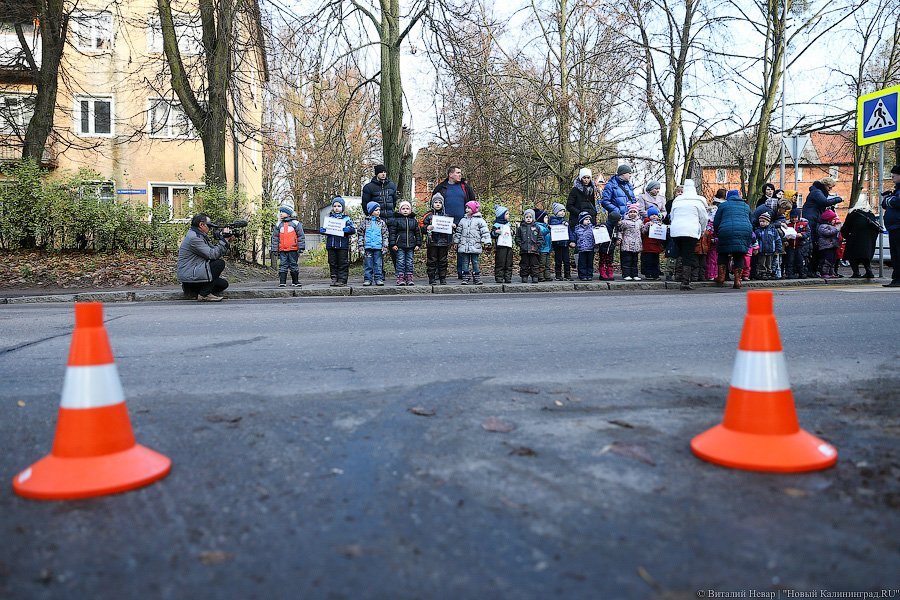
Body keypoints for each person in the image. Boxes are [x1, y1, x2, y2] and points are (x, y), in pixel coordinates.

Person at [433, 166, 477, 279]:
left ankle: (462, 271)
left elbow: (473, 203)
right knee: (442, 248)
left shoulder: (465, 187)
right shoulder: (441, 187)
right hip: (444, 223)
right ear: (450, 174)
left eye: (460, 172)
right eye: (457, 173)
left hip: (462, 223)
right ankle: (440, 272)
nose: (460, 174)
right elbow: (434, 203)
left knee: (461, 249)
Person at [177, 213, 232, 301]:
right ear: (201, 225)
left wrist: (224, 241)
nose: (210, 229)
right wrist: (224, 241)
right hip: (190, 278)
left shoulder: (197, 235)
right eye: (209, 226)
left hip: (193, 275)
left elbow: (212, 250)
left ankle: (194, 292)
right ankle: (204, 294)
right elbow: (212, 255)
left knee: (223, 284)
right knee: (219, 264)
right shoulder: (194, 238)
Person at [668, 180, 709, 290]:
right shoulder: (698, 201)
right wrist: (702, 230)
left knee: (681, 253)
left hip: (676, 230)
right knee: (688, 255)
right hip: (690, 230)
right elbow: (704, 218)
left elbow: (672, 215)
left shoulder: (677, 200)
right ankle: (685, 282)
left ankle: (679, 275)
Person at [363, 164, 399, 274]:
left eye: (384, 172)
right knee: (378, 248)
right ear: (376, 173)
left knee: (394, 246)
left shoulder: (392, 185)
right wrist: (372, 218)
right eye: (381, 172)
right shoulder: (369, 187)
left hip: (391, 220)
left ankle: (400, 272)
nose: (383, 174)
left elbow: (394, 202)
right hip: (377, 222)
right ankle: (379, 273)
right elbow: (365, 205)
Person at [712, 189, 752, 289]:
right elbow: (751, 220)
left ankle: (721, 278)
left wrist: (718, 233)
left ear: (727, 197)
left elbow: (716, 221)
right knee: (739, 255)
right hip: (744, 231)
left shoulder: (723, 205)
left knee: (723, 253)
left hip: (726, 231)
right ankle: (737, 281)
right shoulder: (746, 206)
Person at [802, 176, 840, 273]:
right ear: (825, 185)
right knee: (813, 244)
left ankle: (813, 269)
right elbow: (825, 202)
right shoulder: (817, 192)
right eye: (829, 187)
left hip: (814, 219)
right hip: (812, 220)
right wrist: (837, 199)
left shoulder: (817, 192)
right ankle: (811, 270)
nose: (830, 189)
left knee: (815, 245)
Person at [452, 200, 490, 285]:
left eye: (469, 208)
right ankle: (465, 276)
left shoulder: (480, 220)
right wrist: (456, 242)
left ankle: (477, 277)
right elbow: (458, 232)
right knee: (465, 261)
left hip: (475, 245)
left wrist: (487, 241)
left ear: (474, 209)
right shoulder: (463, 220)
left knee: (475, 261)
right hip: (464, 245)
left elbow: (485, 231)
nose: (467, 209)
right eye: (466, 207)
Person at [320, 197, 356, 287]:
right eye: (335, 206)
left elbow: (353, 230)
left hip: (342, 245)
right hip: (331, 244)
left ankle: (342, 280)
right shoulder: (328, 218)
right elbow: (325, 230)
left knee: (342, 263)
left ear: (342, 207)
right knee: (332, 262)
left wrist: (347, 229)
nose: (336, 208)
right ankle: (334, 278)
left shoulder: (346, 218)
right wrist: (323, 230)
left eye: (339, 206)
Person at [840, 201, 881, 279]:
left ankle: (856, 272)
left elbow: (846, 227)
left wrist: (845, 236)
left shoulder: (853, 214)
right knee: (865, 257)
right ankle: (869, 271)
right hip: (868, 241)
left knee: (852, 256)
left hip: (854, 240)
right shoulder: (870, 214)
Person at [421, 193, 452, 285]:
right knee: (431, 260)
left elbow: (450, 229)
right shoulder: (428, 215)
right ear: (432, 203)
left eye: (440, 202)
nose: (438, 204)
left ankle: (442, 278)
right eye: (436, 202)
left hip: (443, 242)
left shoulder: (446, 216)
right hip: (432, 241)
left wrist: (453, 226)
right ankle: (432, 278)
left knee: (443, 261)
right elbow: (421, 226)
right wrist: (427, 228)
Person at [270, 206, 305, 287]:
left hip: (293, 249)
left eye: (283, 212)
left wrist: (301, 247)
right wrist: (274, 249)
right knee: (283, 265)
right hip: (282, 250)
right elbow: (275, 238)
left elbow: (301, 236)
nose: (281, 213)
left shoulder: (296, 224)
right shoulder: (278, 225)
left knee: (293, 264)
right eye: (280, 212)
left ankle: (295, 281)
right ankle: (282, 282)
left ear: (289, 213)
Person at [389, 200, 421, 286]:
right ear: (400, 210)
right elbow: (392, 233)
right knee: (400, 261)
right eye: (403, 208)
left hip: (411, 245)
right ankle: (400, 277)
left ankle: (409, 277)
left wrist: (418, 244)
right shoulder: (396, 220)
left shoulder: (413, 221)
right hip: (399, 245)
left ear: (410, 210)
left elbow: (417, 233)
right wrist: (393, 244)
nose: (405, 210)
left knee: (410, 261)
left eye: (407, 208)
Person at [358, 202, 389, 286]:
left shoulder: (381, 223)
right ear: (370, 211)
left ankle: (378, 278)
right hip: (367, 247)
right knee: (368, 264)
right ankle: (368, 279)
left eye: (379, 210)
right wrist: (361, 246)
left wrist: (385, 246)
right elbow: (360, 234)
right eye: (376, 210)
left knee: (378, 264)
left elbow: (385, 235)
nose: (378, 212)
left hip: (378, 247)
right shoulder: (364, 222)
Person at [882, 164, 900, 287]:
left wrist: (889, 199)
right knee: (895, 254)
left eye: (895, 174)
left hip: (898, 226)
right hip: (894, 227)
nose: (892, 176)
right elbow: (884, 203)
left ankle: (898, 279)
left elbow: (897, 202)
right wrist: (888, 199)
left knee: (898, 254)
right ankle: (896, 278)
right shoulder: (896, 190)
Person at [514, 209, 544, 283]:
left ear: (533, 218)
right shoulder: (520, 228)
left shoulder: (537, 227)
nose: (528, 219)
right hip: (524, 250)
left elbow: (540, 238)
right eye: (526, 217)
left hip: (534, 250)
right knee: (524, 264)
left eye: (530, 217)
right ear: (524, 218)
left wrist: (537, 245)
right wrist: (521, 244)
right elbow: (517, 238)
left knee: (535, 264)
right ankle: (524, 276)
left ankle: (535, 276)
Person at [783, 209, 811, 279]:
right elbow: (784, 234)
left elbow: (808, 232)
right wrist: (785, 240)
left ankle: (802, 273)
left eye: (795, 217)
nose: (794, 219)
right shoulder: (788, 225)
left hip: (800, 245)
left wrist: (801, 235)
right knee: (790, 260)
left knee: (800, 260)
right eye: (792, 217)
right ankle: (789, 274)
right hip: (790, 245)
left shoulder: (804, 224)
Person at [617, 203, 643, 281]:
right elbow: (620, 231)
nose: (632, 214)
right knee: (627, 260)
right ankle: (626, 274)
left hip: (636, 244)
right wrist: (619, 239)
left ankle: (634, 274)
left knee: (635, 261)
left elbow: (643, 231)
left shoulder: (639, 222)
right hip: (627, 243)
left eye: (634, 212)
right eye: (631, 212)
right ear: (628, 213)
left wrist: (649, 226)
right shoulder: (624, 222)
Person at [753, 213, 783, 280]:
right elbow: (755, 240)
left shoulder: (773, 230)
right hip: (762, 250)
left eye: (763, 221)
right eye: (760, 221)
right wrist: (756, 248)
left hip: (770, 250)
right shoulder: (758, 231)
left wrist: (778, 249)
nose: (761, 223)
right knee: (761, 262)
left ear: (768, 222)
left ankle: (769, 272)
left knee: (769, 263)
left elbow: (777, 239)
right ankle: (762, 272)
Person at [549, 202, 574, 281]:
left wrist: (572, 240)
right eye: (560, 211)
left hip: (565, 244)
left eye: (563, 211)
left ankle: (567, 274)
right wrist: (562, 223)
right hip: (557, 244)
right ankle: (558, 275)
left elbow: (569, 232)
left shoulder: (565, 222)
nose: (562, 213)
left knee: (567, 260)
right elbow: (554, 225)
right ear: (556, 212)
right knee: (558, 260)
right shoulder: (553, 220)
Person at [640, 206, 664, 280]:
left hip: (656, 246)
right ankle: (648, 274)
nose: (654, 216)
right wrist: (648, 226)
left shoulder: (659, 224)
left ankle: (655, 274)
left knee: (655, 261)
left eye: (655, 215)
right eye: (652, 214)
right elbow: (643, 232)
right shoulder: (646, 222)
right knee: (648, 261)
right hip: (648, 246)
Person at [491, 205, 514, 284]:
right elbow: (492, 234)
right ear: (501, 215)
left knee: (509, 262)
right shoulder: (496, 225)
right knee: (500, 262)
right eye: (507, 214)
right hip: (500, 246)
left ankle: (508, 277)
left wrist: (512, 232)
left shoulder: (509, 225)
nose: (508, 216)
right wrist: (496, 232)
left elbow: (513, 232)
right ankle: (499, 277)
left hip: (509, 246)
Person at [817, 209, 841, 279]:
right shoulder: (823, 226)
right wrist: (836, 229)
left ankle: (831, 272)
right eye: (833, 219)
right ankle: (824, 272)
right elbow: (827, 233)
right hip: (826, 247)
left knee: (832, 260)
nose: (834, 220)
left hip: (832, 246)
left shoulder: (832, 226)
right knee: (826, 260)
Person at [573, 211, 596, 281]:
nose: (588, 221)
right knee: (582, 263)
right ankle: (582, 275)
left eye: (589, 219)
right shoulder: (577, 229)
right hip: (582, 249)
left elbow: (596, 236)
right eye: (586, 219)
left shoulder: (592, 228)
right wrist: (573, 242)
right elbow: (575, 237)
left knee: (590, 263)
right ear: (581, 220)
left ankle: (589, 275)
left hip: (590, 248)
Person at [597, 211, 620, 281]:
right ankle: (602, 273)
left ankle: (609, 272)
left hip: (611, 246)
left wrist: (616, 240)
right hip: (603, 246)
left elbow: (616, 235)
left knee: (610, 261)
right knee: (603, 260)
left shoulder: (615, 227)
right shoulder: (604, 226)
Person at [534, 209, 552, 282]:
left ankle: (547, 275)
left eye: (547, 217)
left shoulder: (546, 226)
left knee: (547, 263)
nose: (547, 219)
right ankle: (540, 276)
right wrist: (548, 229)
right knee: (542, 263)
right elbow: (541, 234)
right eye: (545, 217)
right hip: (542, 248)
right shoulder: (538, 226)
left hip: (547, 248)